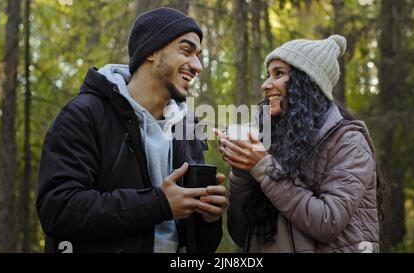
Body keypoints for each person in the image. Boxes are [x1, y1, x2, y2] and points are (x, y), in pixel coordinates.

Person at [37, 7, 227, 253]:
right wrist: (159, 204)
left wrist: (208, 219)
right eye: (186, 51)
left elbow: (201, 246)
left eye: (198, 55)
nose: (197, 65)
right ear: (150, 51)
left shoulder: (187, 129)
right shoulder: (84, 114)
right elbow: (58, 210)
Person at [215, 35, 380, 253]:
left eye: (279, 73)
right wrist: (243, 169)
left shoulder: (348, 142)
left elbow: (328, 221)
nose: (265, 85)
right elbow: (240, 234)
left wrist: (263, 168)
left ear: (307, 82)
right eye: (268, 75)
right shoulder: (270, 138)